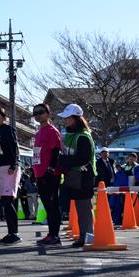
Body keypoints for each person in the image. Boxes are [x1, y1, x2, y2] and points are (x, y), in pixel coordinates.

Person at [56, 104, 96, 248]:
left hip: (84, 176)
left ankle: (87, 238)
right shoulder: (71, 136)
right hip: (74, 175)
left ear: (76, 118)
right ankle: (84, 237)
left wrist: (63, 160)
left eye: (67, 117)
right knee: (80, 208)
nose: (65, 120)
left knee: (84, 208)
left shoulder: (83, 136)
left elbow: (83, 158)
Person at [0, 106, 22, 246]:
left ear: (4, 118)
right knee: (4, 200)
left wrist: (14, 164)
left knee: (8, 200)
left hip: (9, 167)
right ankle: (10, 233)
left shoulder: (8, 129)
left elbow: (14, 147)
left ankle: (14, 233)